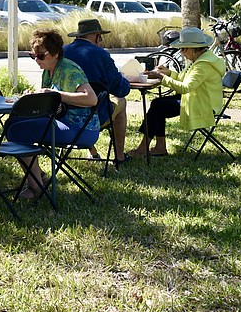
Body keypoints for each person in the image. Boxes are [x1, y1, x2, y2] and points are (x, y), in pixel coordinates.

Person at [12, 29, 99, 199]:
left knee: (18, 131)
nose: (36, 60)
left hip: (82, 127)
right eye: (33, 55)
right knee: (14, 125)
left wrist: (55, 95)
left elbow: (91, 99)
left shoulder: (69, 70)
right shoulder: (48, 70)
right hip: (61, 121)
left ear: (56, 54)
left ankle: (36, 185)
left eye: (41, 56)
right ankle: (38, 179)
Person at [128, 26, 225, 157]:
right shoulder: (200, 60)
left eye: (183, 48)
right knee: (158, 104)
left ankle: (144, 148)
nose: (182, 52)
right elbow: (183, 79)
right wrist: (167, 73)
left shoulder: (203, 65)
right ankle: (158, 147)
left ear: (193, 48)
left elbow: (185, 87)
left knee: (158, 106)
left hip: (204, 106)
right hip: (197, 99)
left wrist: (162, 78)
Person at [63, 18, 136, 167]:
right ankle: (120, 157)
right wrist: (125, 79)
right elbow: (120, 89)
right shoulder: (100, 54)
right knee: (121, 101)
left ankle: (93, 152)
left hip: (63, 114)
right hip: (94, 115)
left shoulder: (62, 52)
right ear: (97, 35)